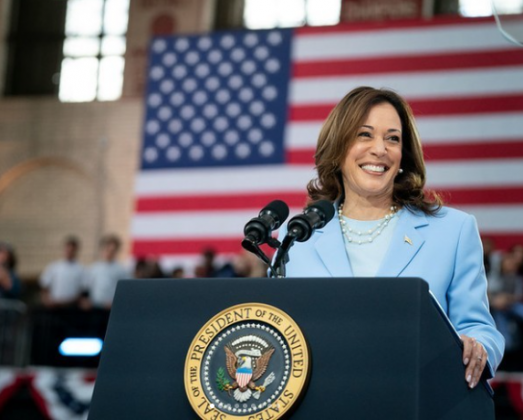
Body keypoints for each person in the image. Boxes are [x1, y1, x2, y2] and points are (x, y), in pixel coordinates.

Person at [277, 86, 504, 388]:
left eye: (393, 138)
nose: (380, 149)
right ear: (337, 147)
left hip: (418, 397)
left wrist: (478, 346)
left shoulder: (453, 230)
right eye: (364, 134)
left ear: (403, 155)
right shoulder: (298, 234)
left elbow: (479, 327)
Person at [83, 234, 129, 309]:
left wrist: (117, 302)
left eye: (112, 250)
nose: (109, 253)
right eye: (107, 249)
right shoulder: (94, 268)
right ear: (103, 250)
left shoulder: (121, 270)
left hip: (112, 308)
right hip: (94, 308)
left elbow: (126, 290)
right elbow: (87, 287)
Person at [39, 236, 85, 308]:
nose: (69, 252)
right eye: (67, 249)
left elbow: (83, 290)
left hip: (72, 306)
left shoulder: (80, 269)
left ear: (75, 251)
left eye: (72, 250)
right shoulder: (54, 267)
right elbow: (45, 285)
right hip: (54, 306)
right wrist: (46, 300)